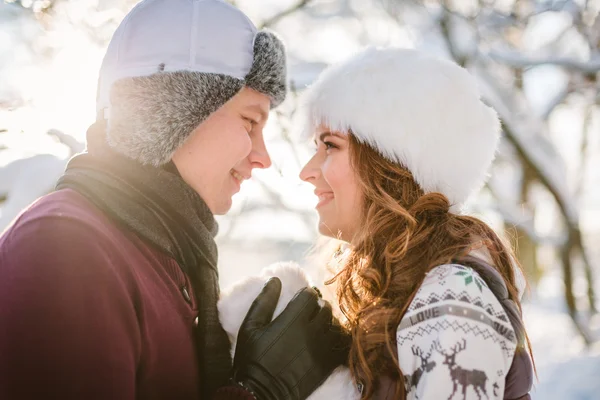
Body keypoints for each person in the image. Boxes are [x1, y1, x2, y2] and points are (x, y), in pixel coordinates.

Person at [0, 0, 348, 399]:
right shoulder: (65, 248)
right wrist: (257, 392)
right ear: (172, 113)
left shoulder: (162, 256)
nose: (262, 157)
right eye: (250, 122)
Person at [298, 47, 535, 399]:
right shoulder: (410, 286)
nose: (307, 172)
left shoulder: (450, 294)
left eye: (330, 146)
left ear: (390, 163)